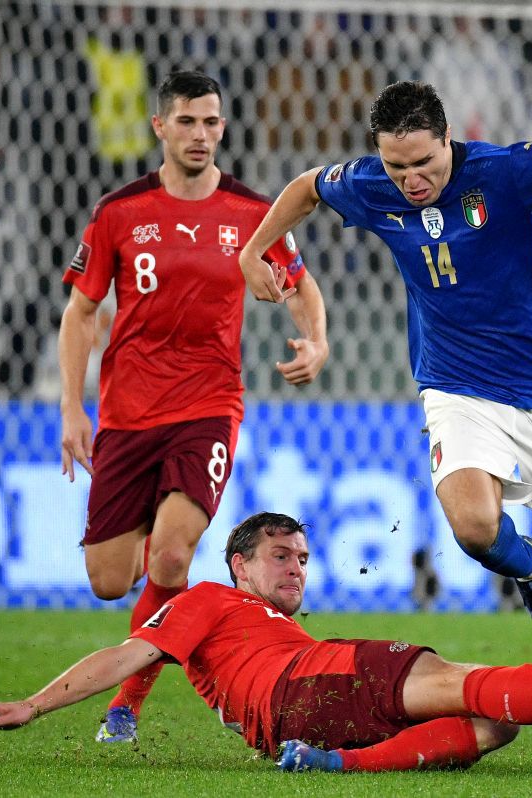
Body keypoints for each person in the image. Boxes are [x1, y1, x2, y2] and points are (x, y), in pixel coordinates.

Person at [238, 81, 532, 768]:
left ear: (449, 140)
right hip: (455, 385)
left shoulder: (512, 170)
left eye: (425, 163)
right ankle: (531, 572)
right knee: (473, 527)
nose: (411, 180)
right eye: (397, 166)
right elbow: (305, 188)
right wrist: (253, 251)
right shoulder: (370, 183)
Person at [0, 512, 532, 773]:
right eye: (280, 557)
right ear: (239, 565)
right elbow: (132, 653)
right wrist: (34, 705)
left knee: (497, 725)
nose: (296, 568)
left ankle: (339, 765)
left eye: (303, 558)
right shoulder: (211, 599)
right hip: (307, 683)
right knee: (454, 676)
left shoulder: (264, 626)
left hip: (293, 721)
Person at [58, 69, 329, 744]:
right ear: (160, 127)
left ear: (223, 127)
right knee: (108, 581)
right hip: (127, 412)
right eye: (186, 121)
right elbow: (82, 311)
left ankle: (124, 706)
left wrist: (316, 341)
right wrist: (71, 407)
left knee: (172, 560)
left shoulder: (251, 213)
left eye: (211, 122)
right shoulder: (120, 212)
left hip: (208, 405)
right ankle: (153, 543)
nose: (200, 134)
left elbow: (302, 287)